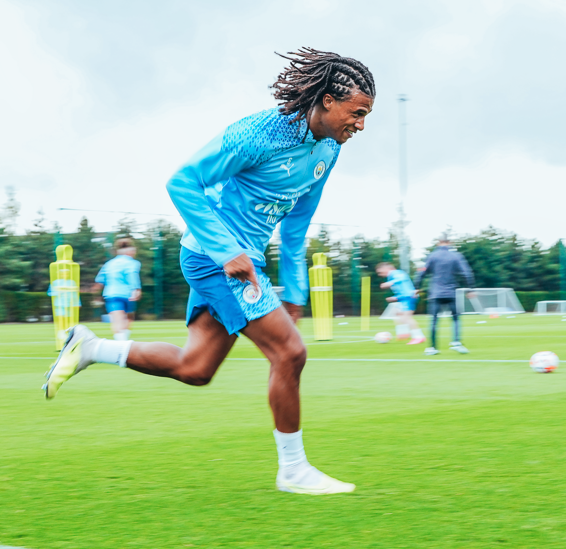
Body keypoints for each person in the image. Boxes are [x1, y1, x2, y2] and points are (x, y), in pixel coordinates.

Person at [42, 48, 375, 495]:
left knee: (195, 368)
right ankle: (293, 471)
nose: (360, 125)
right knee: (290, 354)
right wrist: (225, 252)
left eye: (366, 115)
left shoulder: (329, 149)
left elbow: (297, 222)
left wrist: (295, 290)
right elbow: (182, 181)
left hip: (243, 263)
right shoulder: (260, 132)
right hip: (212, 258)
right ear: (328, 100)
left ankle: (91, 348)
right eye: (357, 113)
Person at [414, 235, 475, 355]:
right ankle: (456, 342)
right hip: (451, 292)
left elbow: (421, 272)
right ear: (450, 242)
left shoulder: (432, 256)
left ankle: (432, 348)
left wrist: (417, 287)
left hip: (435, 293)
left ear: (438, 243)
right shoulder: (456, 256)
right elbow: (467, 272)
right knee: (456, 318)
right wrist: (471, 289)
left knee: (434, 321)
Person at [93, 238, 142, 341]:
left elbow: (100, 279)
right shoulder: (133, 263)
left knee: (117, 320)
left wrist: (95, 295)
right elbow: (132, 275)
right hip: (127, 294)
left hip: (111, 294)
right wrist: (136, 289)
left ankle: (120, 342)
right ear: (130, 251)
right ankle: (122, 344)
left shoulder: (109, 263)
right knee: (129, 318)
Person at [376, 262, 426, 345]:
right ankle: (404, 334)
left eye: (381, 272)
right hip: (404, 298)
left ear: (386, 268)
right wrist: (395, 297)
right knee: (398, 314)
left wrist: (390, 283)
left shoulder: (396, 273)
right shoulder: (391, 276)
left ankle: (419, 337)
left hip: (408, 297)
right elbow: (402, 288)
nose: (380, 274)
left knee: (406, 318)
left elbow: (401, 278)